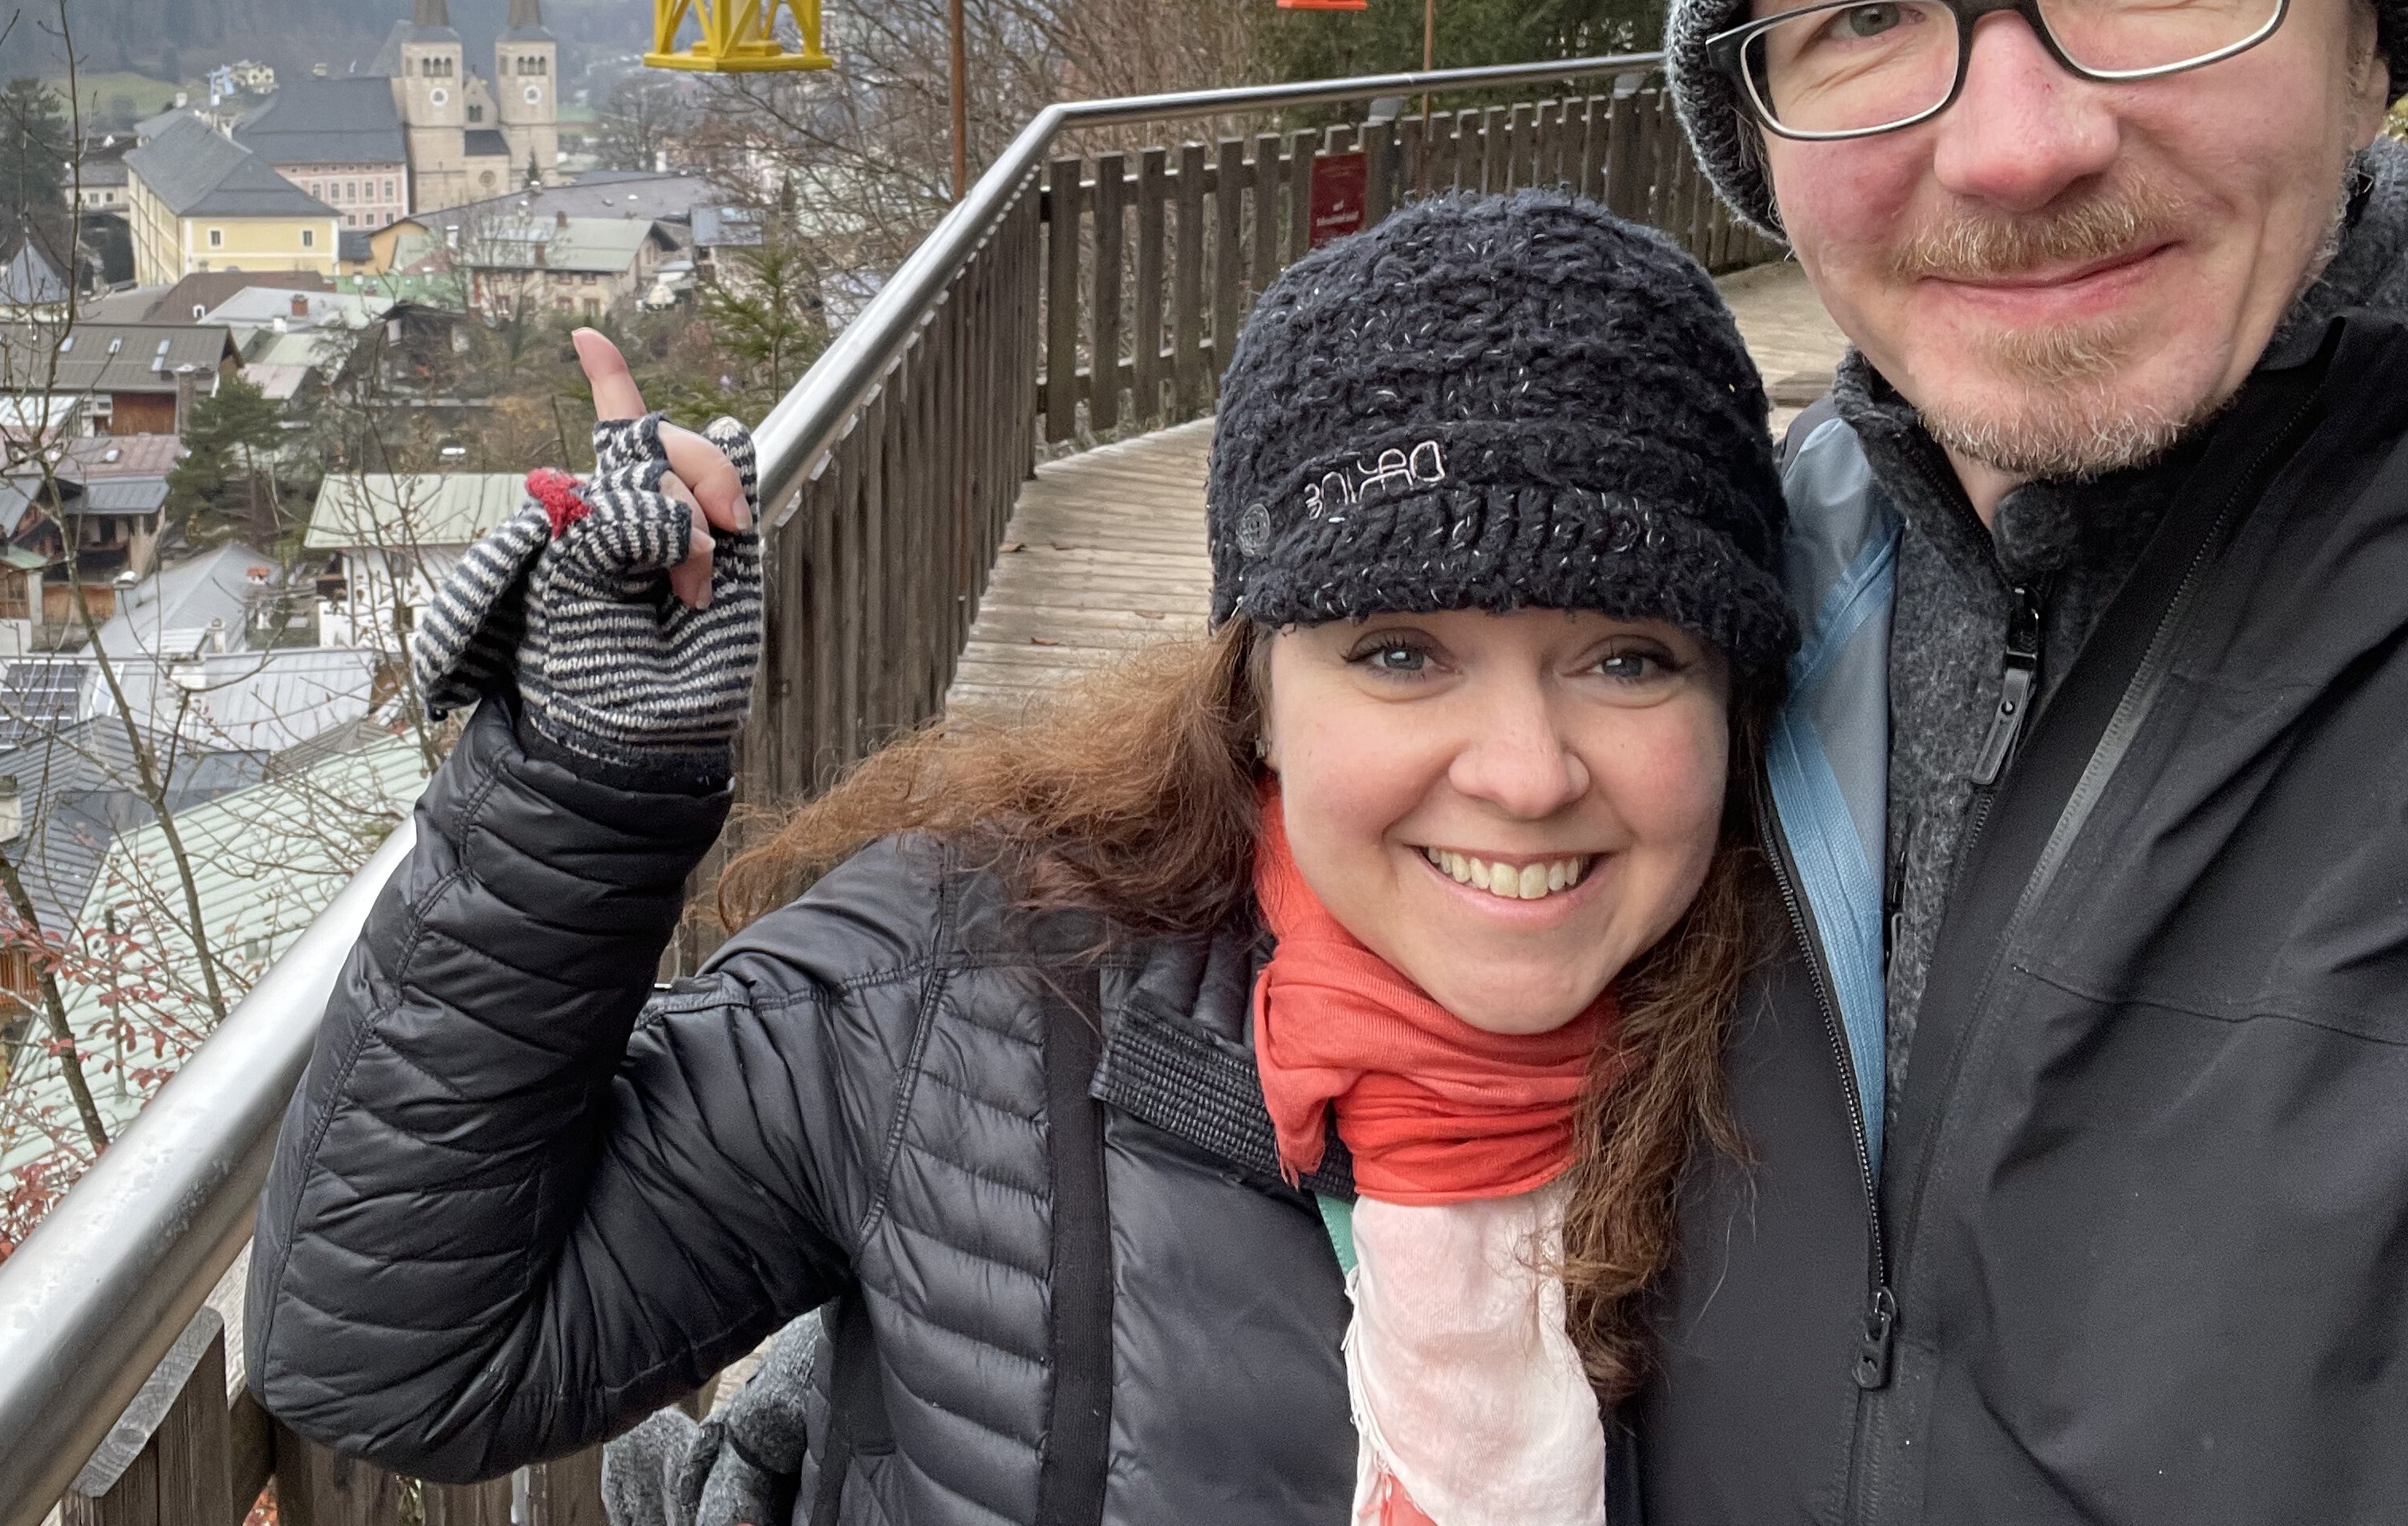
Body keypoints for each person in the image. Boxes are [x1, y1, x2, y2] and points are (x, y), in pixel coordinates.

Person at [250, 193, 1794, 1526]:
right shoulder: (967, 991)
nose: (1524, 776)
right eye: (1401, 653)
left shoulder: (1838, 1056)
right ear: (1251, 691)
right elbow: (394, 1353)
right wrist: (577, 790)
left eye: (1629, 658)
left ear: (1739, 689)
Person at [1647, 0, 2408, 1519]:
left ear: (2367, 32)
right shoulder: (1707, 625)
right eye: (1872, 17)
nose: (2015, 145)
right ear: (1763, 131)